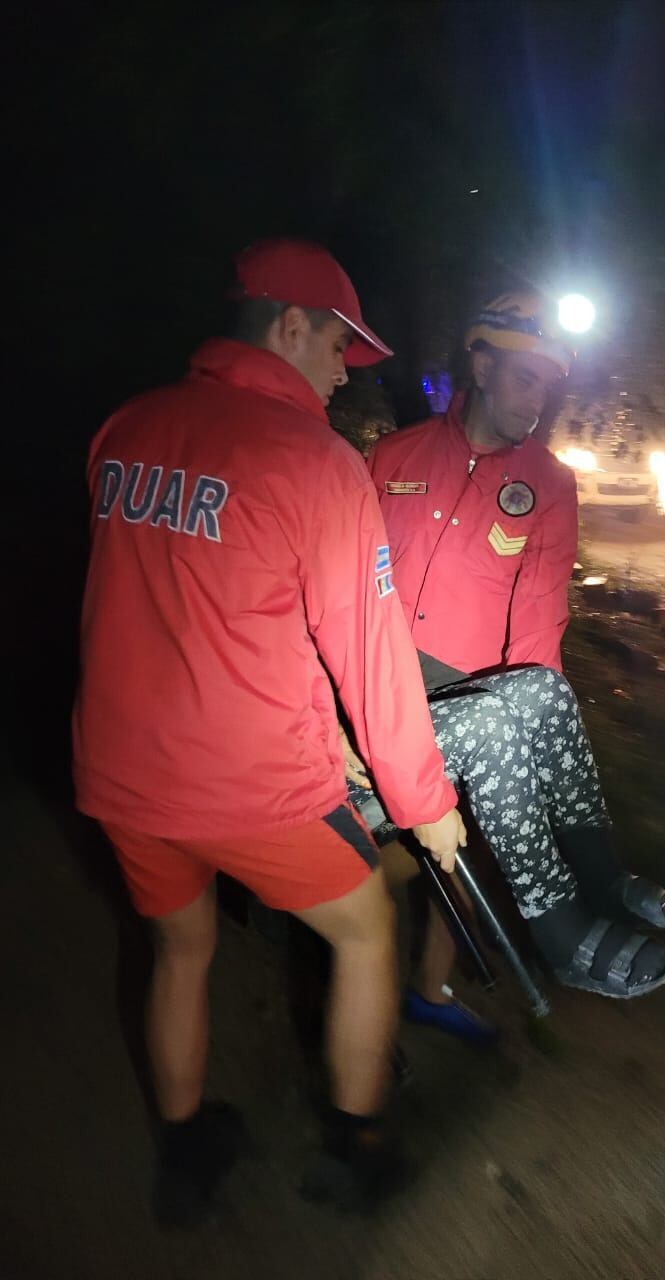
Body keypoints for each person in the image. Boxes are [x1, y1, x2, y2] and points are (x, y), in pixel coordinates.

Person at [72, 238, 466, 1221]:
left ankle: (186, 1150)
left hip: (122, 772)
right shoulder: (320, 465)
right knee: (368, 926)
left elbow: (183, 597)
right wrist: (426, 804)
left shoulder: (126, 425)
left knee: (180, 948)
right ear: (288, 326)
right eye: (338, 346)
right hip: (250, 786)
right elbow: (374, 664)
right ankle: (358, 1143)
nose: (346, 370)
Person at [352, 293, 665, 1032]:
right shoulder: (392, 459)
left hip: (476, 696)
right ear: (482, 365)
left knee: (528, 723)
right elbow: (340, 586)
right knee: (391, 875)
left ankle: (580, 891)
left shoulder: (549, 483)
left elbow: (540, 623)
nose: (539, 401)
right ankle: (370, 1021)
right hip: (375, 691)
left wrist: (534, 742)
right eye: (525, 379)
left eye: (550, 384)